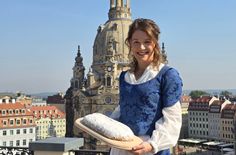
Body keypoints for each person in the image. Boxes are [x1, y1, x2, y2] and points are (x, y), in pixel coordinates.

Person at [109, 18, 183, 155]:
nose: (141, 47)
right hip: (122, 149)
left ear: (155, 44)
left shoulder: (167, 75)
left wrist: (151, 145)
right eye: (136, 42)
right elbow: (122, 110)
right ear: (129, 44)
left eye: (147, 42)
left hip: (151, 150)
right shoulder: (125, 77)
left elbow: (172, 121)